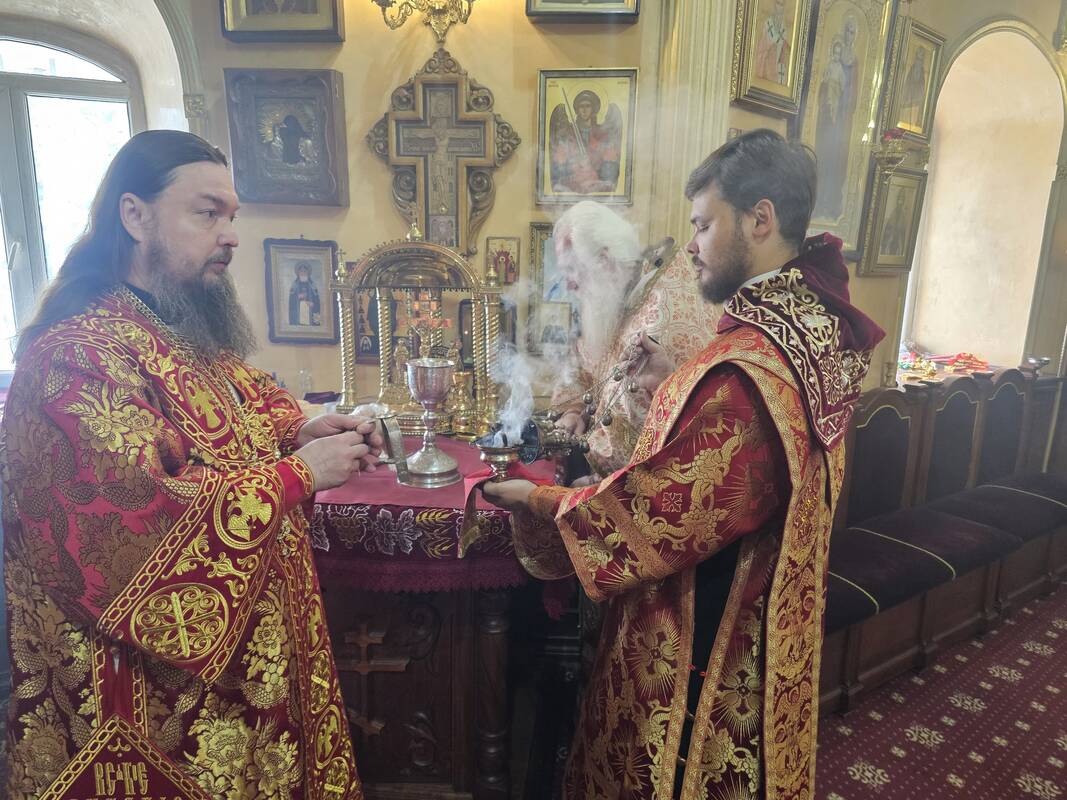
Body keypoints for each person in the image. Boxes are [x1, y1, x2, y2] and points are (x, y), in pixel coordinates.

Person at [484, 129, 884, 799]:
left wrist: (536, 500)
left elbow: (656, 515)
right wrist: (675, 382)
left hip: (709, 647)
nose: (691, 244)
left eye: (703, 223)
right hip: (771, 619)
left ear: (759, 219)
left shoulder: (747, 369)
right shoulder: (812, 329)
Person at [2, 130, 378, 800]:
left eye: (232, 216)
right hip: (146, 698)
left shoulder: (173, 332)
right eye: (207, 214)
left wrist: (302, 427)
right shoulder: (74, 356)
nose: (230, 236)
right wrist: (298, 474)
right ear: (134, 214)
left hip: (240, 672)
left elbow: (239, 407)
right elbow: (133, 516)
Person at [549, 201, 720, 479]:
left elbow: (630, 446)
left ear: (604, 260)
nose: (568, 284)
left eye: (572, 270)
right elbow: (584, 366)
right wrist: (573, 412)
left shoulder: (661, 314)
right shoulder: (616, 293)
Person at [549, 90, 623, 194]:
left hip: (596, 183)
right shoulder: (568, 133)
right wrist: (573, 163)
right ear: (577, 109)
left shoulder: (602, 134)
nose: (584, 110)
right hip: (573, 182)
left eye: (588, 106)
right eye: (581, 106)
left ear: (593, 109)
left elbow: (609, 163)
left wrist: (597, 165)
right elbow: (559, 162)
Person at [754, 0, 791, 85]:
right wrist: (771, 47)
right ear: (775, 5)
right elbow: (762, 45)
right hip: (767, 63)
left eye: (782, 5)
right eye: (778, 4)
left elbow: (783, 46)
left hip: (778, 65)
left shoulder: (783, 27)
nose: (780, 7)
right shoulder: (768, 23)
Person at [289, 260, 322, 326]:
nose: (303, 273)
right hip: (298, 314)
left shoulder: (312, 285)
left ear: (308, 273)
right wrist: (298, 297)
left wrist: (312, 304)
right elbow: (291, 301)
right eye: (301, 271)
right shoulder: (294, 285)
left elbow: (317, 300)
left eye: (304, 271)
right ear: (298, 273)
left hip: (310, 313)